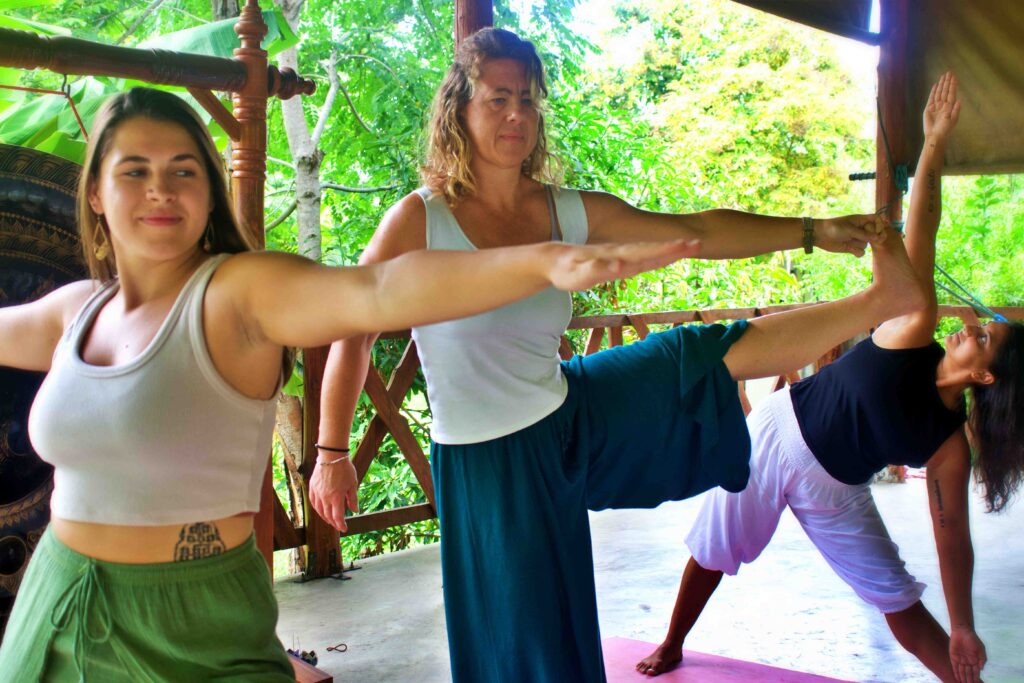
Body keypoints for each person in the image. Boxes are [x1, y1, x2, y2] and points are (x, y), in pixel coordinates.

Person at [0, 87, 704, 682]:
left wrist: (540, 262)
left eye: (184, 170)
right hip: (59, 595)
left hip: (189, 614)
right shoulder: (74, 311)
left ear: (209, 192)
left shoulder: (239, 293)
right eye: (134, 171)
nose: (160, 189)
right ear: (94, 191)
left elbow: (376, 289)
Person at [311, 28, 930, 682]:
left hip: (570, 412)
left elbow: (693, 231)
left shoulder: (566, 211)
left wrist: (812, 232)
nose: (517, 114)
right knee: (531, 642)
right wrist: (331, 451)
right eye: (497, 99)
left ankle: (878, 301)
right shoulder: (418, 221)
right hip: (488, 458)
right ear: (459, 109)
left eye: (527, 98)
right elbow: (351, 331)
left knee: (696, 358)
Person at [636, 73, 1022, 683]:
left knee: (898, 597)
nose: (968, 326)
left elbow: (954, 541)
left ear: (982, 374)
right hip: (778, 434)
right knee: (713, 550)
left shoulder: (948, 445)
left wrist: (967, 624)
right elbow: (923, 230)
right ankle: (672, 641)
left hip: (836, 490)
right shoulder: (912, 328)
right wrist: (933, 144)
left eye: (982, 336)